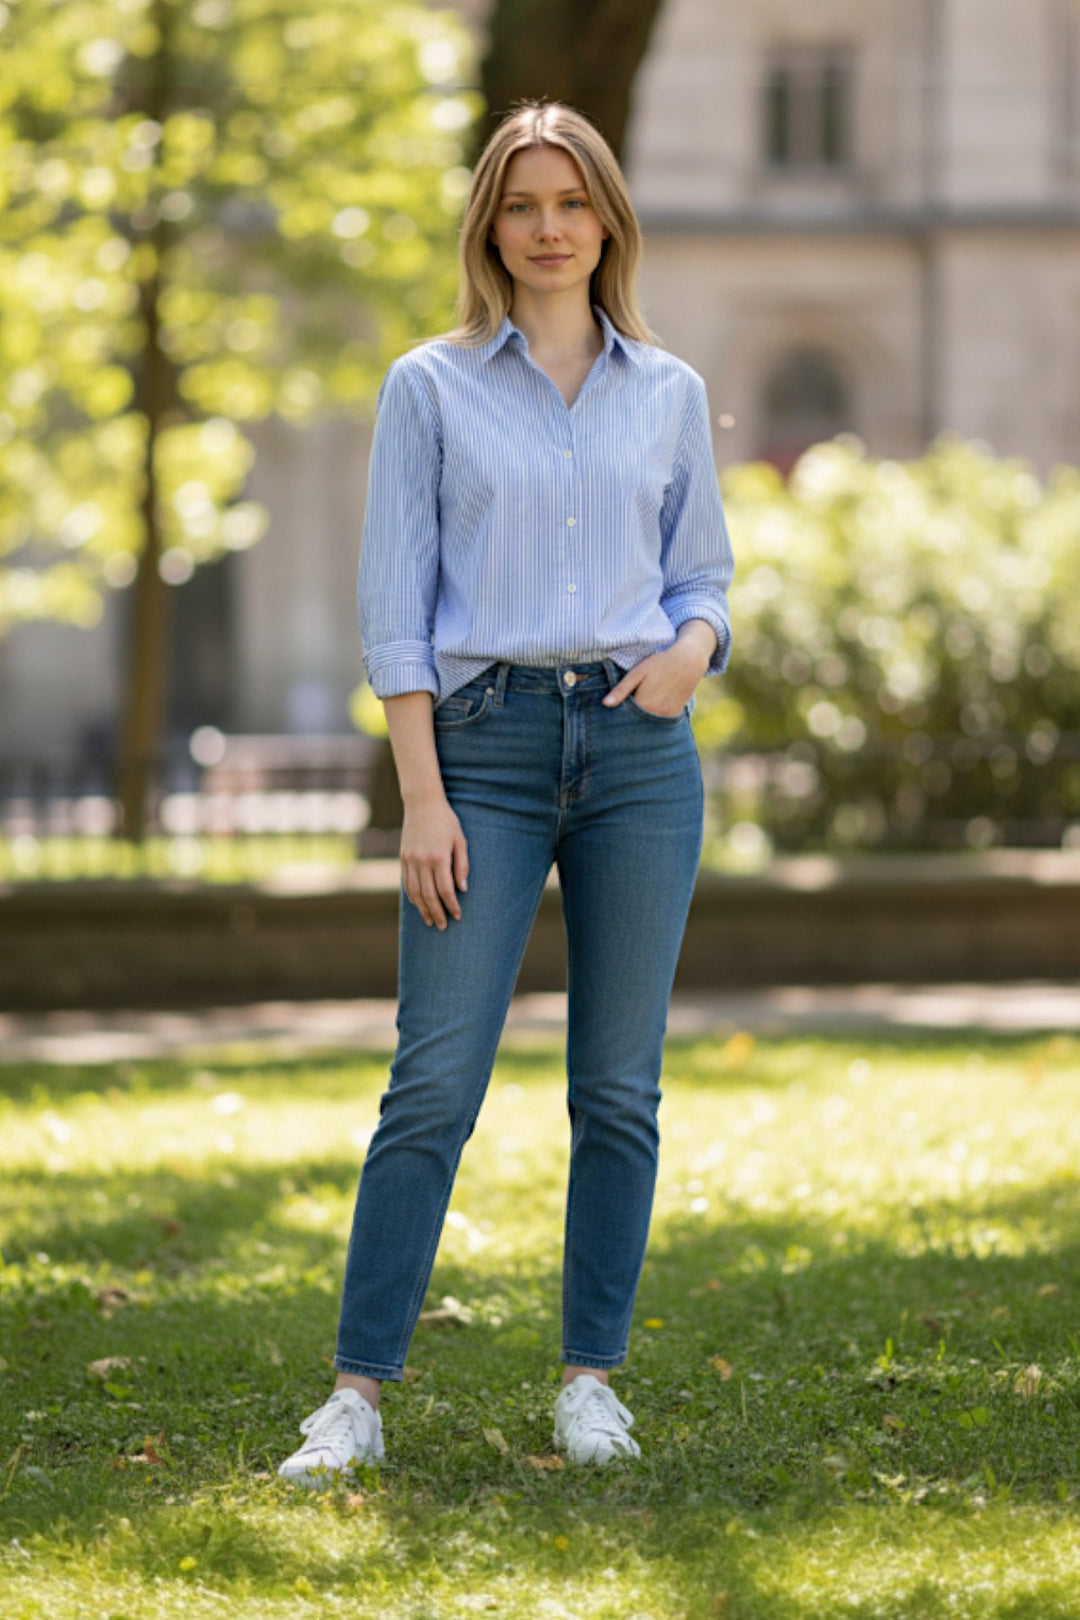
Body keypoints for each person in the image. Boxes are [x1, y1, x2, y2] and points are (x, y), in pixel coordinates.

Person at [278, 100, 734, 1485]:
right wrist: (422, 796)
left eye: (571, 204)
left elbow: (704, 574)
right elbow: (394, 610)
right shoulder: (429, 386)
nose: (548, 230)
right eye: (523, 205)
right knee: (433, 1084)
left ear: (608, 221)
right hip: (477, 753)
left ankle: (590, 1379)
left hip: (640, 756)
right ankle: (355, 1395)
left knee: (619, 1089)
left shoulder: (668, 390)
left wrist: (688, 657)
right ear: (491, 225)